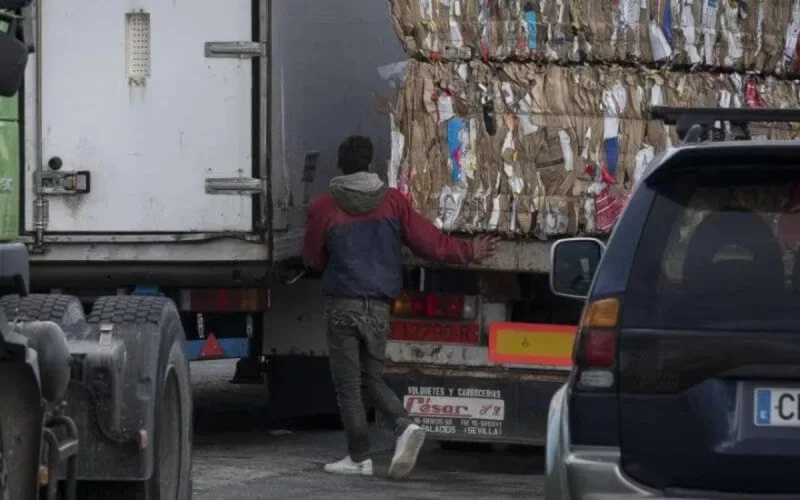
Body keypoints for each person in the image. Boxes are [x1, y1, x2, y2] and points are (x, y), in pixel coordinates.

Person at [303, 135, 500, 479]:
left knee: (348, 386)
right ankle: (405, 428)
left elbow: (311, 258)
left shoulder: (323, 207)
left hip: (343, 307)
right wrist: (469, 250)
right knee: (372, 378)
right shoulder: (394, 202)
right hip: (379, 308)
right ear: (370, 164)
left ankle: (360, 457)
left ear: (340, 165)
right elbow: (431, 245)